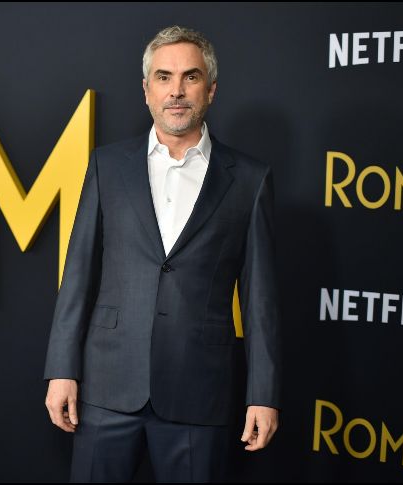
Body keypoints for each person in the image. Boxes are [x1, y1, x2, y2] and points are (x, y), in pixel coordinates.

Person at [43, 26, 282, 482]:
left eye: (190, 77)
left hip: (200, 393)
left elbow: (261, 301)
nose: (176, 90)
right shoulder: (107, 166)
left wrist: (263, 393)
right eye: (164, 77)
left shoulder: (250, 180)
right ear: (146, 90)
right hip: (106, 386)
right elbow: (78, 275)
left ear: (210, 89)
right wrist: (61, 369)